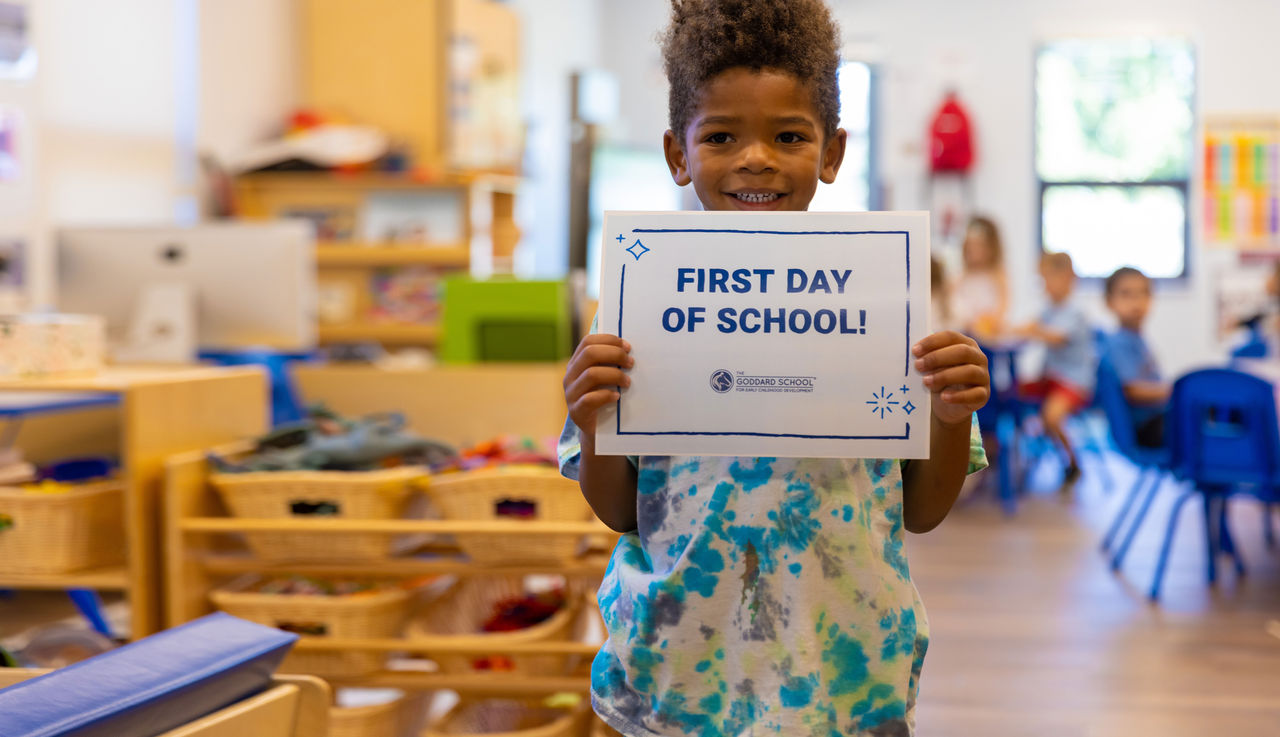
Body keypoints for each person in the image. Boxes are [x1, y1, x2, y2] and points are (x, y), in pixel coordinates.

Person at [558, 2, 991, 735]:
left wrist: (952, 415)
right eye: (721, 135)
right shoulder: (636, 303)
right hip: (679, 674)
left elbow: (921, 512)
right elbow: (620, 511)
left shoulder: (886, 299)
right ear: (677, 153)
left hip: (844, 671)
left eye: (789, 136)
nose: (755, 158)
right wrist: (594, 417)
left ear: (831, 152)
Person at [1017, 251, 1096, 486]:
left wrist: (1034, 330)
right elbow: (1031, 327)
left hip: (1074, 382)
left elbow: (1058, 337)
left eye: (1049, 279)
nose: (1046, 286)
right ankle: (1007, 458)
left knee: (1051, 416)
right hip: (1050, 378)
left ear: (1068, 278)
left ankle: (1072, 463)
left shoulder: (1076, 312)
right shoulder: (1048, 310)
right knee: (1010, 392)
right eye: (1043, 280)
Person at [1101, 266, 1168, 448]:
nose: (1136, 302)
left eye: (1143, 293)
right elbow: (1131, 389)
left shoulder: (1139, 340)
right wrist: (1174, 391)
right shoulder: (1117, 343)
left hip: (1158, 420)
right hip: (1146, 428)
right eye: (1126, 294)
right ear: (1108, 301)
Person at [950, 216, 1009, 341]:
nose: (974, 251)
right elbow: (951, 302)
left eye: (980, 246)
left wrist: (991, 322)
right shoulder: (961, 276)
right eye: (971, 246)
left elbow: (1003, 306)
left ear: (991, 249)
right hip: (963, 333)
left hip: (987, 336)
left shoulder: (997, 276)